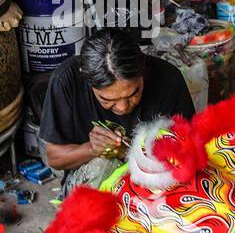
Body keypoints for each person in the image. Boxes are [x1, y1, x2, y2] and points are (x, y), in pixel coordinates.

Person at [40, 27, 195, 190]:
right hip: (92, 181)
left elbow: (190, 146)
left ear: (143, 71)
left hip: (154, 174)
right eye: (107, 100)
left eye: (133, 93)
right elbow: (55, 158)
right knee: (103, 166)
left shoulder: (169, 78)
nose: (122, 107)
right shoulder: (66, 80)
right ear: (87, 82)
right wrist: (92, 149)